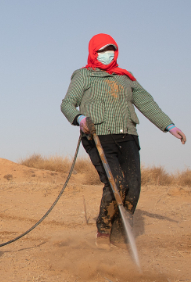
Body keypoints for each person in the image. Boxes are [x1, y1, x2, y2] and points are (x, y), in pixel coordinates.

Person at [61, 33, 185, 247]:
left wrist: (169, 125)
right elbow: (67, 104)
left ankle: (120, 235)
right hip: (98, 136)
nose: (107, 54)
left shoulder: (125, 77)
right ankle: (104, 231)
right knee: (116, 183)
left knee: (133, 187)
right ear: (93, 52)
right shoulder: (83, 75)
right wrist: (79, 118)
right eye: (102, 51)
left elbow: (146, 102)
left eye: (111, 50)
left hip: (127, 136)